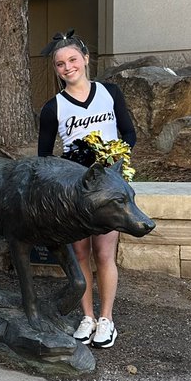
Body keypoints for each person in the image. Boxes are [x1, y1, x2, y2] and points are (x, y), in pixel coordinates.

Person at [37, 30, 137, 350]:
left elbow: (130, 134)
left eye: (72, 60)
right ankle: (87, 317)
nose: (68, 67)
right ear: (56, 70)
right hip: (75, 192)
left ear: (86, 59)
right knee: (80, 253)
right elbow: (43, 157)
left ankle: (107, 319)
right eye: (60, 64)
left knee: (104, 253)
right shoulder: (52, 107)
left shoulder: (110, 93)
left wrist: (112, 154)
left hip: (108, 186)